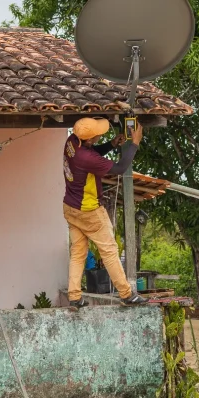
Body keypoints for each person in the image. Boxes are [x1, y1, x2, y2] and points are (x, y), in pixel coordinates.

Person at [63, 117, 147, 307]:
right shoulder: (85, 157)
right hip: (89, 211)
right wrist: (134, 143)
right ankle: (126, 294)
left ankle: (74, 296)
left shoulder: (71, 142)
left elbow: (92, 154)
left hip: (70, 207)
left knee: (78, 252)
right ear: (89, 139)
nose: (100, 135)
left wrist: (110, 144)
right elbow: (119, 168)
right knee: (109, 250)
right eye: (98, 134)